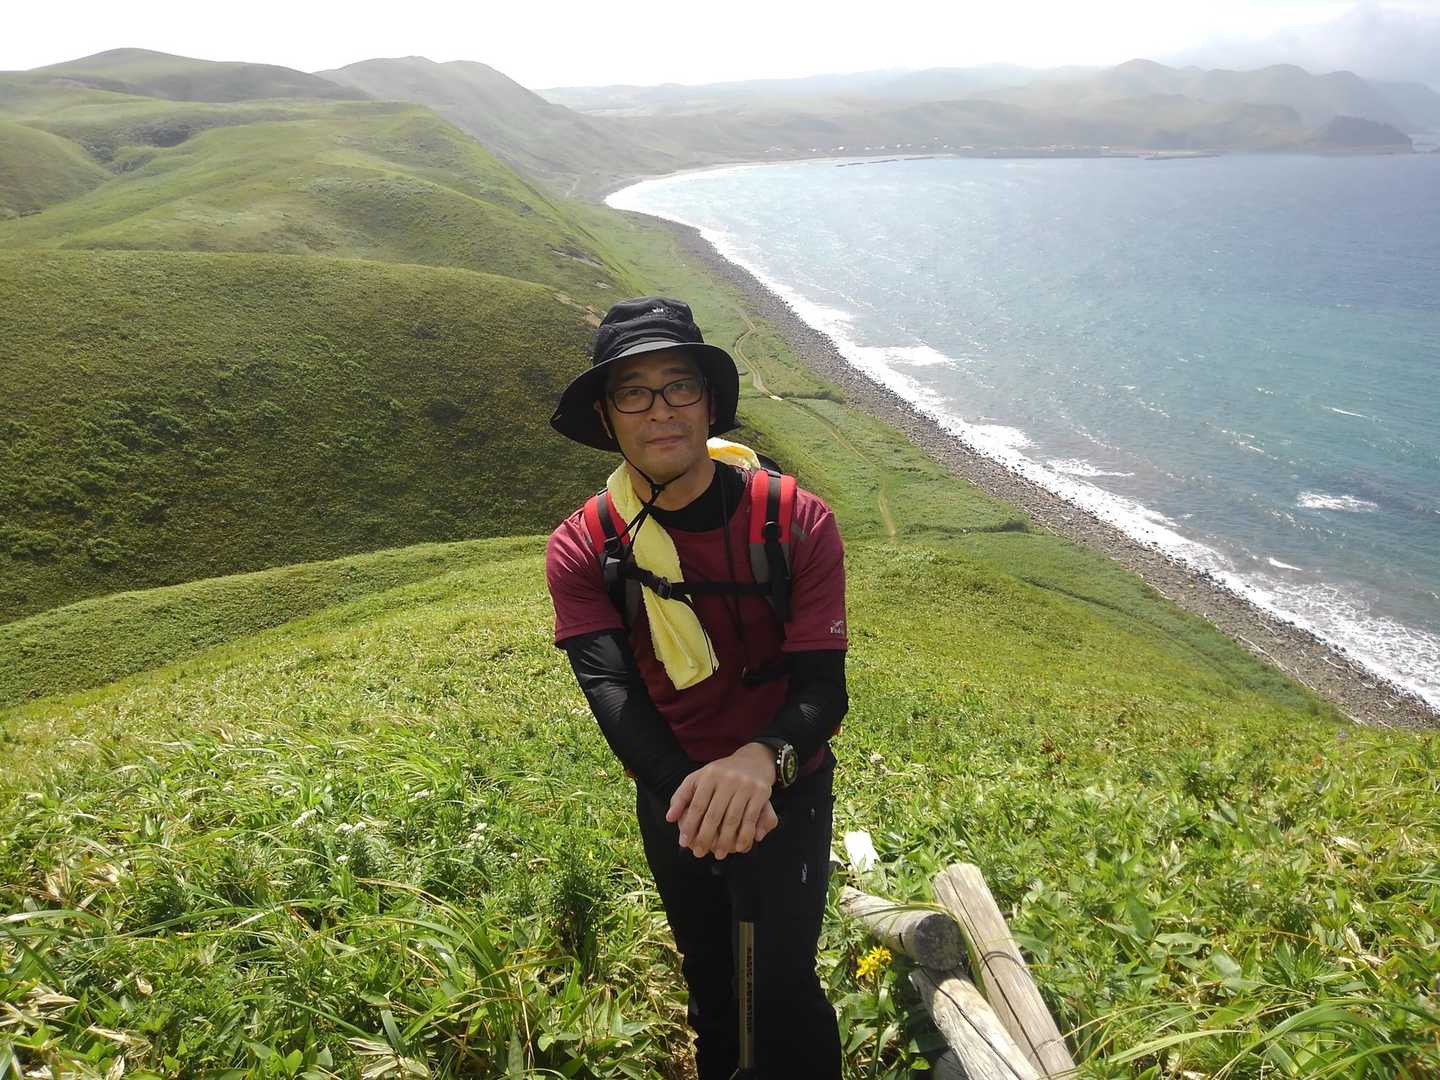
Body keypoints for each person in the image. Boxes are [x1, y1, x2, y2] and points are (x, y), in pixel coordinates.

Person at [544, 296, 849, 1078]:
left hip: (788, 784)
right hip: (672, 790)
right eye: (634, 393)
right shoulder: (585, 546)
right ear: (607, 418)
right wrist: (697, 800)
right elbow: (610, 689)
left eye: (679, 385)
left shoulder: (794, 521)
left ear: (709, 402)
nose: (661, 410)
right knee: (713, 987)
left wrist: (761, 761)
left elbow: (823, 688)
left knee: (782, 989)